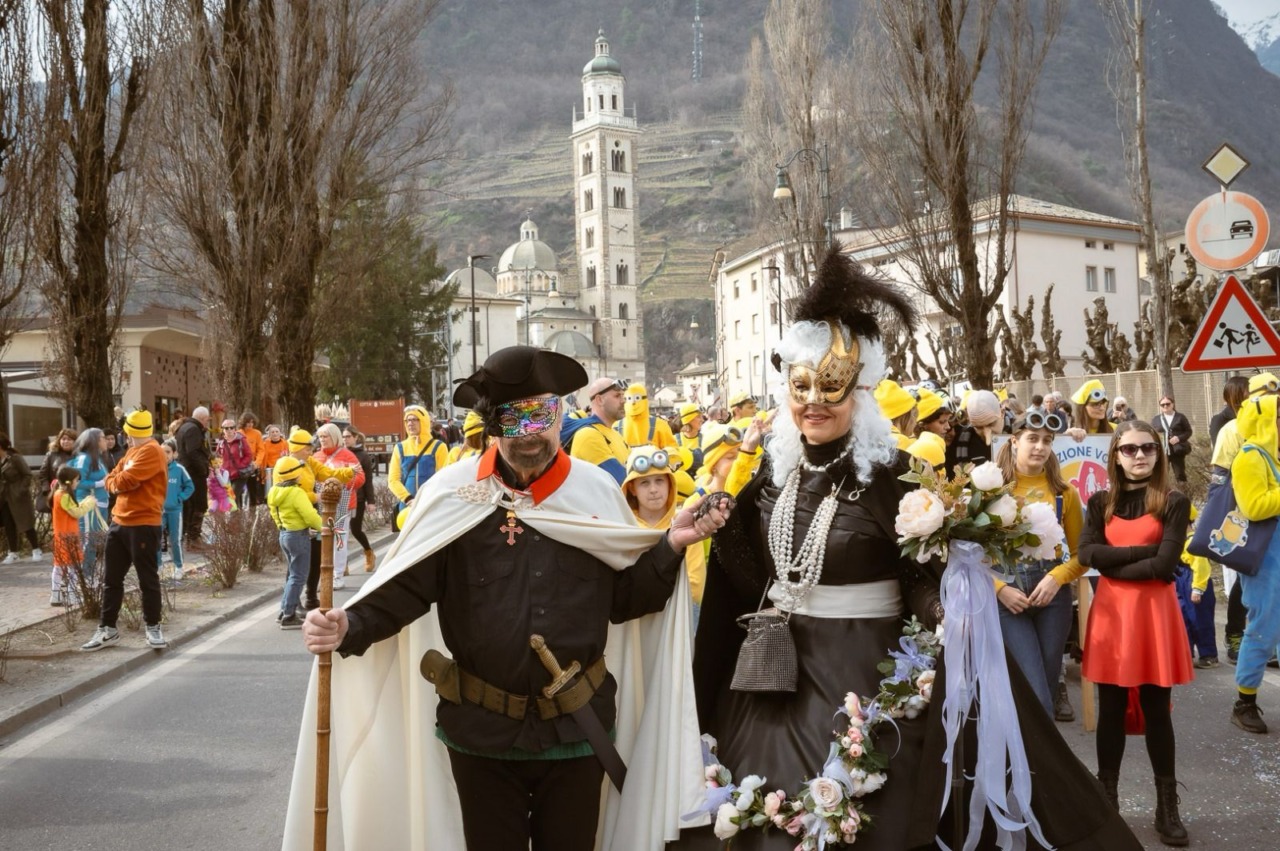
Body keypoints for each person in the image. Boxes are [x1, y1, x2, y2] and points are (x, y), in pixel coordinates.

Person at [676, 247, 1138, 851]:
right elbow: (749, 577)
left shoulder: (895, 477)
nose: (814, 401)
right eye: (801, 386)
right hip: (770, 681)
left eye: (831, 388)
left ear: (859, 393)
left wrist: (946, 609)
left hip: (864, 678)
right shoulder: (770, 474)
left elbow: (920, 575)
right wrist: (711, 528)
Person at [285, 345, 730, 851]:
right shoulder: (453, 496)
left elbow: (625, 600)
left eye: (539, 417)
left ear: (558, 414)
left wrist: (671, 543)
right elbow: (406, 588)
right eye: (510, 420)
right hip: (481, 737)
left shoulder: (594, 494)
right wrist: (349, 624)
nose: (528, 437)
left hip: (576, 734)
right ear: (491, 425)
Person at [1078, 420, 1192, 846]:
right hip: (1112, 616)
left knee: (1156, 708)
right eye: (1129, 449)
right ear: (1116, 455)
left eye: (1148, 448)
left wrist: (1115, 561)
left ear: (1159, 453)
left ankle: (1167, 807)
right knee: (1109, 709)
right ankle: (1108, 801)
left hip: (1152, 618)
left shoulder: (1174, 500)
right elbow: (1088, 554)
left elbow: (1166, 568)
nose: (1140, 455)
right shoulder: (1099, 501)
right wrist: (1147, 552)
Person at [992, 412, 1085, 718]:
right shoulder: (991, 490)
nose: (1040, 447)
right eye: (1032, 438)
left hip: (1052, 599)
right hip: (1008, 600)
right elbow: (966, 555)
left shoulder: (1064, 493)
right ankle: (1035, 764)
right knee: (1034, 690)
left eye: (1047, 440)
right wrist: (999, 589)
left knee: (1045, 682)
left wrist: (1057, 578)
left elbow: (1081, 554)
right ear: (1014, 441)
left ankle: (1034, 763)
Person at [81, 410, 171, 652]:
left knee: (147, 580)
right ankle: (107, 629)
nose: (125, 437)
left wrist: (118, 482)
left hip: (143, 523)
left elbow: (122, 481)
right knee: (111, 580)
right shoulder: (132, 451)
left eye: (126, 433)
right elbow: (113, 479)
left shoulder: (152, 450)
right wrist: (117, 481)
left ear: (132, 432)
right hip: (119, 522)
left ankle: (153, 627)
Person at [1227, 393, 1280, 735]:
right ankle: (1244, 701)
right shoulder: (1249, 458)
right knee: (1262, 629)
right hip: (1266, 563)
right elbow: (1254, 507)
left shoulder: (1272, 456)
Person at [268, 456, 322, 629]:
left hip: (284, 534)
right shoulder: (296, 492)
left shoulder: (274, 491)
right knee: (298, 576)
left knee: (292, 574)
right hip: (298, 536)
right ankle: (289, 615)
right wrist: (325, 527)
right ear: (296, 473)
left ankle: (284, 610)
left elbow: (275, 514)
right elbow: (309, 515)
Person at [313, 423, 365, 590]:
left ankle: (338, 576)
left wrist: (341, 483)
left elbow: (360, 477)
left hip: (343, 503)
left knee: (339, 540)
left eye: (325, 436)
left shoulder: (347, 456)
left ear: (334, 437)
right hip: (321, 504)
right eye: (320, 437)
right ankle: (324, 574)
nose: (322, 440)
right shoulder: (316, 457)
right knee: (323, 539)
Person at [387, 405, 449, 528]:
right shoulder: (400, 447)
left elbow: (444, 478)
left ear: (424, 421)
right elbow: (393, 480)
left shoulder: (438, 446)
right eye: (407, 420)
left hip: (431, 505)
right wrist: (408, 498)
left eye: (415, 419)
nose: (410, 423)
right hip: (407, 507)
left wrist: (429, 498)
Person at [566, 376, 629, 483]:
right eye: (617, 396)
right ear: (599, 400)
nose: (623, 401)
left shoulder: (615, 434)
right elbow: (622, 481)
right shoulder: (588, 435)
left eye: (623, 396)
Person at [49, 464, 97, 606]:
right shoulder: (63, 496)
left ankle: (56, 596)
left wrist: (83, 502)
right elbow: (77, 512)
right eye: (77, 480)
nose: (78, 483)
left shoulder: (58, 494)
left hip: (61, 535)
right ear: (70, 481)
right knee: (73, 568)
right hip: (68, 536)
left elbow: (72, 509)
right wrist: (89, 502)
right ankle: (72, 597)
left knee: (59, 567)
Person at [0, 433, 42, 562]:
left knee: (26, 522)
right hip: (4, 497)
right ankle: (13, 552)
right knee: (8, 524)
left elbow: (27, 475)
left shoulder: (15, 458)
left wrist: (21, 490)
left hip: (18, 496)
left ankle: (36, 549)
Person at [175, 406, 212, 551]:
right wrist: (203, 469)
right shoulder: (193, 429)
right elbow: (193, 452)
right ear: (203, 418)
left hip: (188, 472)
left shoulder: (185, 427)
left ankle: (191, 537)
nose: (208, 423)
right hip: (194, 473)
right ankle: (193, 538)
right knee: (199, 504)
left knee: (190, 506)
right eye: (207, 420)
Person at [343, 427, 378, 573]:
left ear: (356, 437)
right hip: (341, 497)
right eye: (343, 437)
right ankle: (341, 564)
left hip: (358, 498)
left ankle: (369, 552)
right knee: (340, 532)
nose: (345, 439)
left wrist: (371, 502)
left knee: (355, 529)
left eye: (348, 436)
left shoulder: (363, 456)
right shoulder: (339, 453)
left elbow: (368, 480)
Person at [159, 439, 194, 581]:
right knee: (156, 539)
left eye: (167, 452)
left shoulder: (179, 469)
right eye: (162, 452)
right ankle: (158, 567)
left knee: (175, 540)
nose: (165, 455)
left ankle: (179, 567)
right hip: (158, 511)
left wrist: (179, 498)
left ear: (175, 453)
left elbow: (190, 486)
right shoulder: (156, 468)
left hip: (175, 511)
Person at [944, 389, 1001, 474]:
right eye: (979, 427)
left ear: (1002, 412)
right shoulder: (959, 440)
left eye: (990, 424)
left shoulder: (1021, 437)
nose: (986, 433)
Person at [616, 382, 678, 449]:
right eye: (629, 398)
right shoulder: (615, 428)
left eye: (637, 398)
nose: (633, 402)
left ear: (645, 400)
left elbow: (672, 452)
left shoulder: (660, 425)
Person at [37, 428, 78, 520]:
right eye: (63, 439)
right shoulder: (52, 454)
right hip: (57, 496)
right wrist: (48, 492)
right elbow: (43, 475)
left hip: (75, 496)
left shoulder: (79, 455)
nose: (66, 441)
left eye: (69, 439)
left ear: (75, 441)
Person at [1152, 395, 1193, 485]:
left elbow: (1188, 431)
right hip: (1163, 451)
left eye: (1167, 404)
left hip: (1177, 450)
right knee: (1162, 474)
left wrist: (1179, 438)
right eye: (1163, 405)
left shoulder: (1180, 417)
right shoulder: (1156, 419)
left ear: (1172, 404)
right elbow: (1153, 433)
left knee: (1180, 474)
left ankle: (1183, 493)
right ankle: (1163, 495)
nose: (1165, 406)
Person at [217, 417, 256, 508]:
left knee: (232, 497)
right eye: (226, 428)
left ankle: (235, 518)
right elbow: (218, 457)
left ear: (235, 429)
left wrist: (240, 466)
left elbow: (248, 455)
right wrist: (219, 469)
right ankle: (238, 518)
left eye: (232, 427)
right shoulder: (221, 443)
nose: (229, 430)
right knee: (235, 499)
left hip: (240, 474)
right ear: (223, 430)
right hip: (226, 476)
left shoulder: (241, 440)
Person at [874, 379, 917, 449]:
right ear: (904, 416)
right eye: (914, 415)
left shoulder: (874, 434)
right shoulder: (900, 441)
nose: (915, 422)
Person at [1209, 375, 1250, 447]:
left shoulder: (1254, 415)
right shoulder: (1219, 420)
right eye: (1249, 392)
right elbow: (1221, 450)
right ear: (1237, 395)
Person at [238, 411, 266, 506]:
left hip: (252, 466)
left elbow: (261, 450)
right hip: (240, 467)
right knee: (238, 492)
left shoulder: (257, 433)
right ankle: (239, 513)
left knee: (253, 491)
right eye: (248, 422)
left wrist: (256, 463)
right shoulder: (238, 434)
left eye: (252, 422)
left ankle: (252, 512)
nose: (250, 424)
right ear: (243, 422)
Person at [677, 402, 706, 475]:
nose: (702, 420)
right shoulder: (675, 440)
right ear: (689, 419)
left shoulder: (705, 439)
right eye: (699, 417)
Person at [258, 423, 289, 489]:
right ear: (269, 435)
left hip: (282, 470)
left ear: (280, 433)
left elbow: (288, 456)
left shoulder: (285, 443)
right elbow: (263, 458)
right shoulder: (265, 444)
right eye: (272, 432)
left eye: (277, 431)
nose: (275, 433)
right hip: (269, 471)